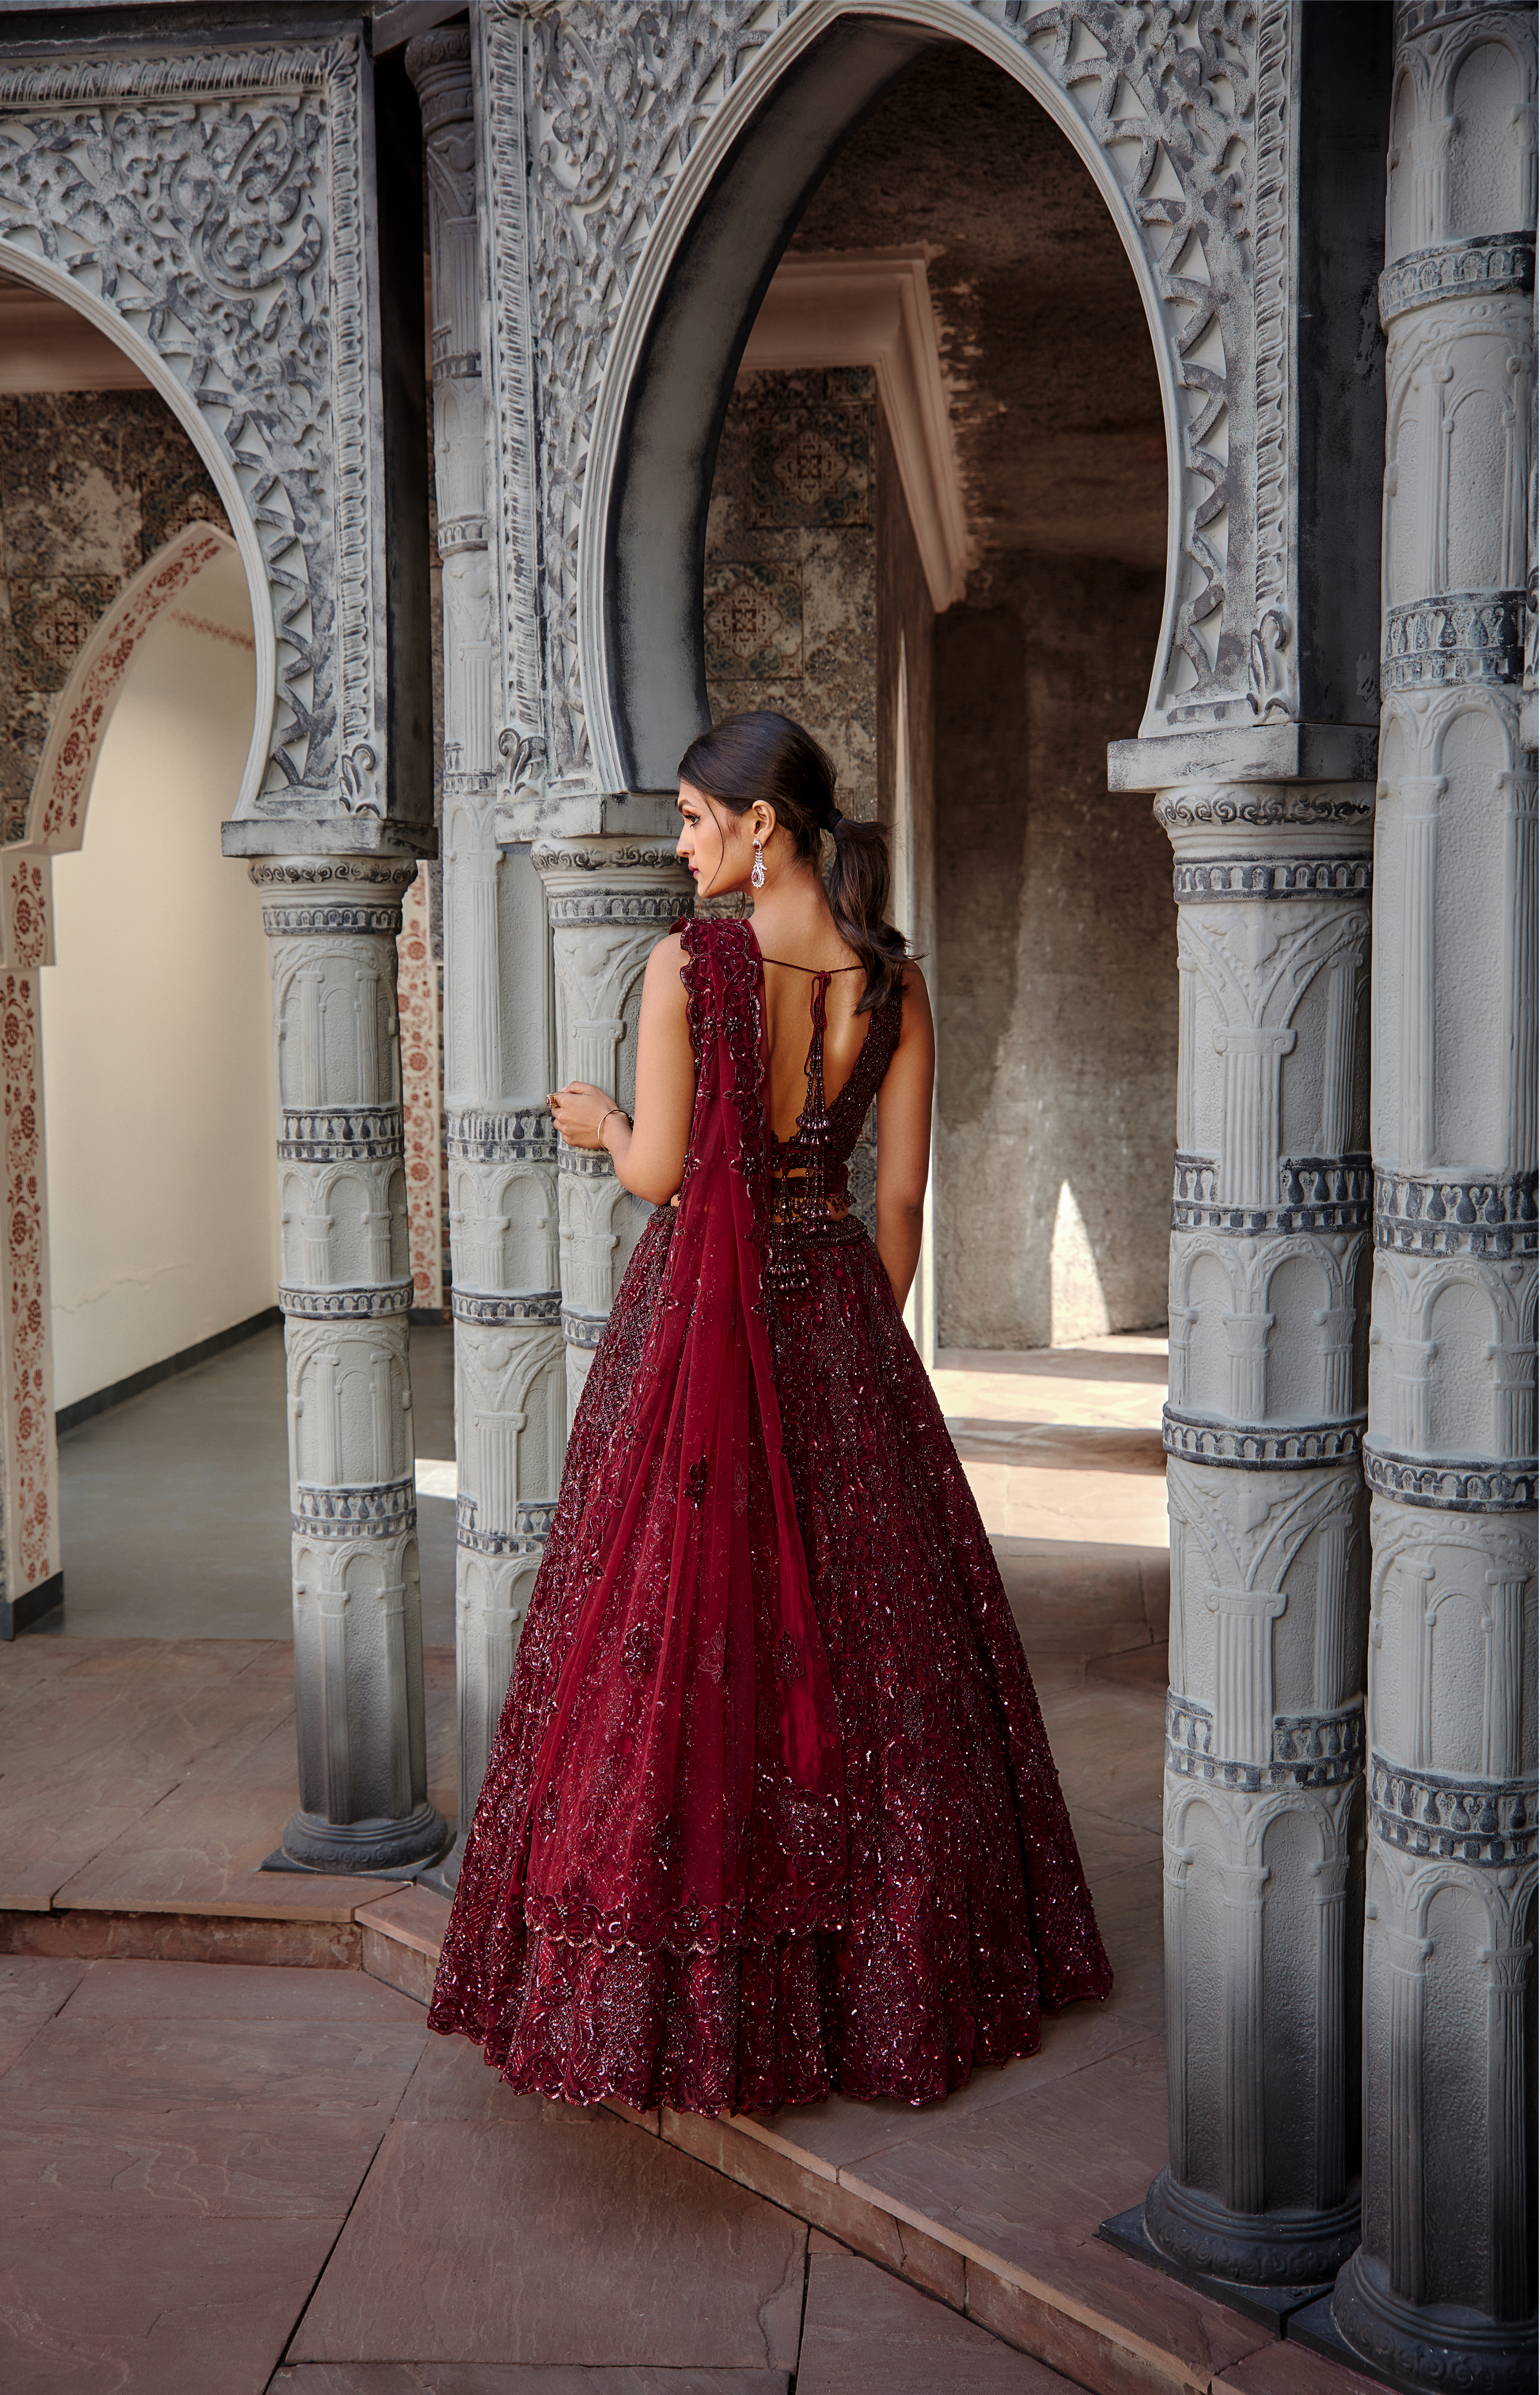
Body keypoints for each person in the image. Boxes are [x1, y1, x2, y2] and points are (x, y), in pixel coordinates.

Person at [428, 708, 1111, 2114]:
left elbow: (664, 1173)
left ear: (762, 825)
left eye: (693, 817)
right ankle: (897, 1967)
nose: (680, 845)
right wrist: (855, 1334)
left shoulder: (693, 968)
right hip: (843, 1319)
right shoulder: (894, 985)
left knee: (694, 1627)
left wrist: (601, 1125)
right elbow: (902, 1206)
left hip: (703, 1333)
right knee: (876, 1645)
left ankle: (720, 1987)